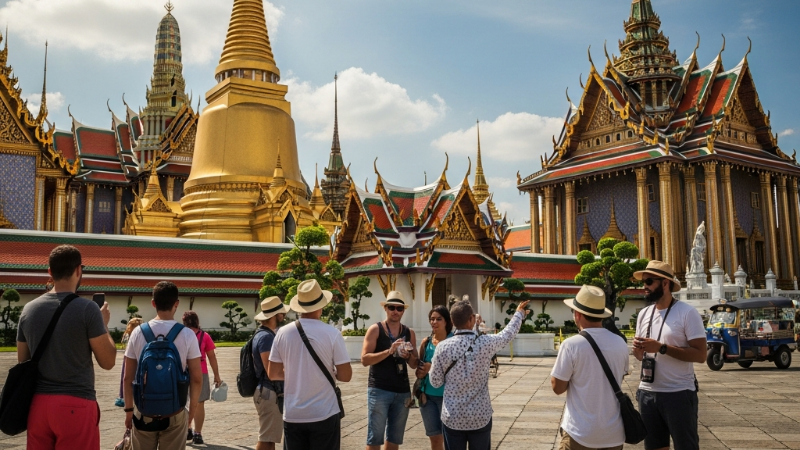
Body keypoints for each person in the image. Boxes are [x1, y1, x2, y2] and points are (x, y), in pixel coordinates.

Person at [17, 244, 117, 449]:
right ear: (79, 270)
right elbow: (107, 362)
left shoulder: (29, 310)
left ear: (50, 272)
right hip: (75, 404)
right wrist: (104, 325)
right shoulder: (88, 310)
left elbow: (22, 361)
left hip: (38, 406)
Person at [429, 299, 530, 450]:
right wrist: (518, 314)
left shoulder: (442, 347)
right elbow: (507, 335)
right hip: (479, 415)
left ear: (452, 320)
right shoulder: (485, 343)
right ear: (471, 319)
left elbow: (435, 382)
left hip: (453, 416)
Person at [268, 279, 353, 450]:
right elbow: (346, 376)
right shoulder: (332, 334)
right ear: (321, 306)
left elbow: (273, 373)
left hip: (294, 413)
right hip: (324, 411)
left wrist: (296, 372)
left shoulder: (282, 333)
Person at [632, 261, 706, 450]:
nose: (645, 287)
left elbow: (700, 355)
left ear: (665, 283)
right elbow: (641, 357)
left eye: (649, 281)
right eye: (644, 282)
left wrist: (662, 348)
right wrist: (639, 352)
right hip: (647, 392)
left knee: (685, 446)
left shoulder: (687, 313)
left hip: (678, 393)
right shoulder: (644, 314)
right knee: (654, 446)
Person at [123, 281, 202, 450]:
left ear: (153, 303)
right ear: (176, 304)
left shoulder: (137, 332)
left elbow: (128, 378)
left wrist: (129, 410)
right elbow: (196, 378)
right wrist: (191, 414)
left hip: (144, 411)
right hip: (175, 410)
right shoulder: (187, 334)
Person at [551, 285, 629, 450]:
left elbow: (558, 388)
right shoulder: (620, 343)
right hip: (612, 434)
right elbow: (618, 378)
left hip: (579, 432)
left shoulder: (571, 345)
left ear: (577, 314)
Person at [361, 291, 419, 450]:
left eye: (399, 308)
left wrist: (407, 356)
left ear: (403, 311)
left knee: (395, 437)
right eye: (392, 307)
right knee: (375, 437)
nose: (395, 311)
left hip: (402, 390)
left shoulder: (409, 332)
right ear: (385, 308)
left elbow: (414, 364)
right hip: (379, 389)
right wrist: (389, 351)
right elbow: (364, 359)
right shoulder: (376, 329)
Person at [252, 296, 289, 450]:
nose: (284, 315)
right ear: (276, 315)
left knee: (269, 439)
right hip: (269, 390)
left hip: (266, 389)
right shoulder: (266, 337)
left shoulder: (263, 334)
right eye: (282, 312)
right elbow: (271, 370)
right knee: (267, 439)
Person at [415, 305, 453, 450]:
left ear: (447, 321)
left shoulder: (453, 341)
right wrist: (421, 372)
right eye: (432, 319)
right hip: (428, 396)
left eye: (438, 319)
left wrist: (432, 368)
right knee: (435, 438)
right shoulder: (426, 342)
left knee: (450, 437)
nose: (434, 322)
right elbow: (419, 370)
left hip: (448, 397)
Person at [182, 311, 222, 445]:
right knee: (199, 404)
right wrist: (216, 375)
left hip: (183, 371)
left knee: (183, 402)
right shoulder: (205, 336)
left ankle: (187, 429)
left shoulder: (181, 334)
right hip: (201, 372)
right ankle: (198, 433)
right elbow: (212, 357)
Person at [116, 318, 144, 407]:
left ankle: (124, 396)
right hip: (139, 357)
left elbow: (124, 346)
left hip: (128, 357)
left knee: (126, 377)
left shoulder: (127, 335)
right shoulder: (141, 334)